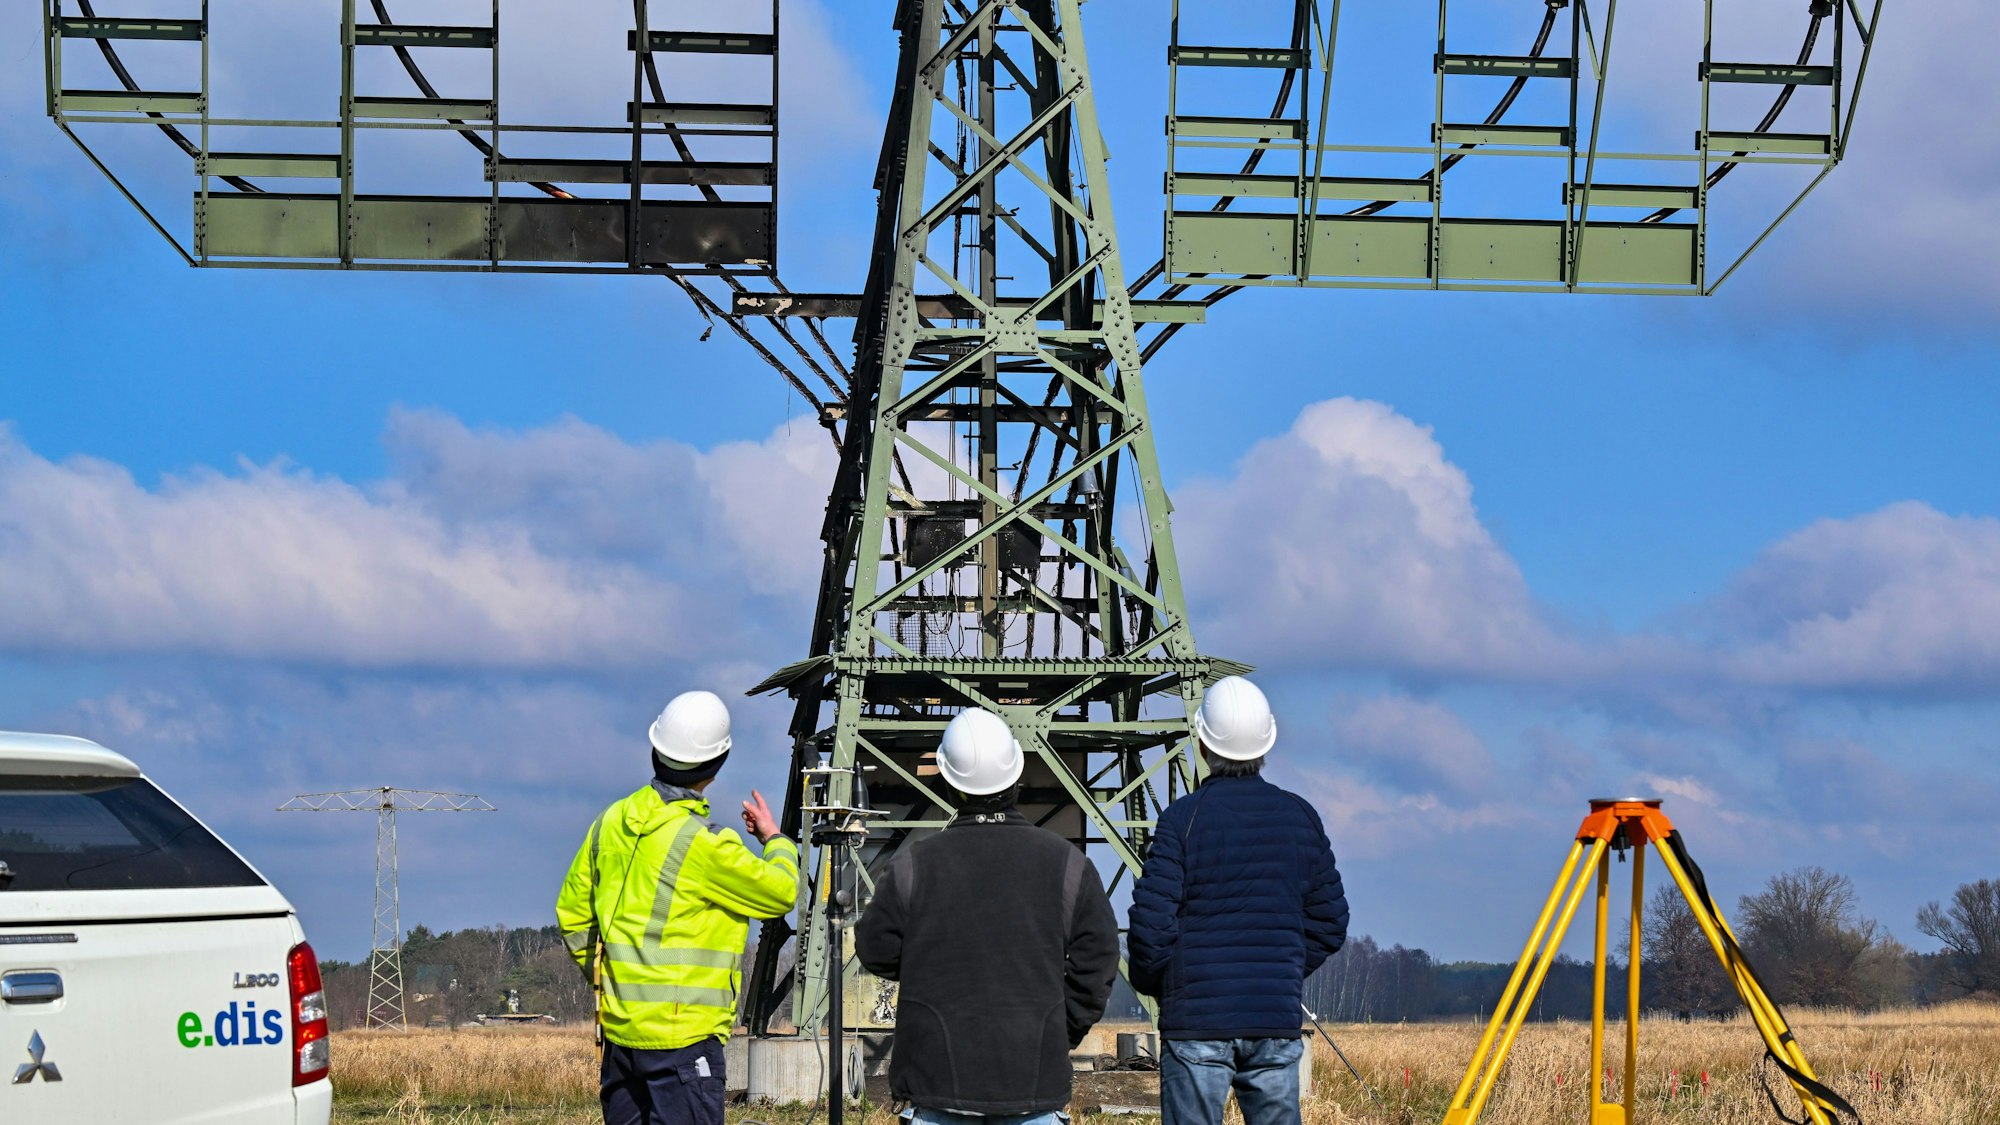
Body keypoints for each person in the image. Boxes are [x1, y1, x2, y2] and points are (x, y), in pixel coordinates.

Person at [856, 708, 1120, 1125]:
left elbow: (874, 949)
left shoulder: (913, 867)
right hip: (1033, 1085)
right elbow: (1100, 959)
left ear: (948, 782)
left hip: (935, 1082)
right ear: (1016, 776)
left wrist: (925, 963)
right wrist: (1057, 1032)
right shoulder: (1069, 864)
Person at [557, 690, 801, 1125]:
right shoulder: (705, 844)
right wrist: (775, 841)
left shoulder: (609, 821)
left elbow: (573, 916)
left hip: (621, 1039)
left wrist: (614, 983)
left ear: (656, 749)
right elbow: (781, 892)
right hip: (683, 1041)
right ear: (717, 764)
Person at [1127, 676, 1349, 1125]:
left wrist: (1170, 984)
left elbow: (1150, 930)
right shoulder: (1300, 817)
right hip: (1272, 1019)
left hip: (1195, 1024)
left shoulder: (1182, 821)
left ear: (1203, 743)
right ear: (1265, 744)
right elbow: (1330, 923)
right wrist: (1275, 968)